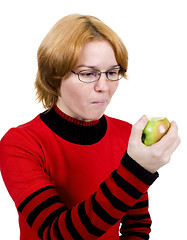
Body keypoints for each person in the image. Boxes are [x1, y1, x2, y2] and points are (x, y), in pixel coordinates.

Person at [0, 14, 180, 240]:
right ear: (54, 77)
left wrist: (138, 168)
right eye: (88, 73)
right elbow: (56, 234)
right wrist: (136, 170)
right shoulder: (20, 143)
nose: (104, 87)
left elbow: (137, 225)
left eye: (112, 72)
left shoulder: (127, 135)